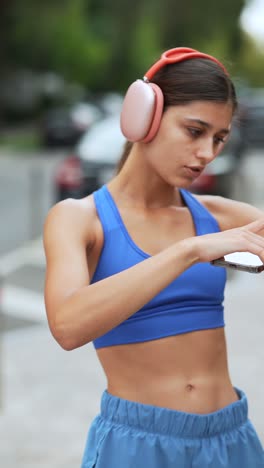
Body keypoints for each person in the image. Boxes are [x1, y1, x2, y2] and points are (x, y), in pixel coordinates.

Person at [43, 47, 264, 468]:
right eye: (194, 131)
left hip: (233, 442)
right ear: (142, 116)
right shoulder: (79, 219)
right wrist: (188, 250)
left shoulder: (217, 216)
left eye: (219, 138)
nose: (207, 154)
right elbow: (68, 327)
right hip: (139, 448)